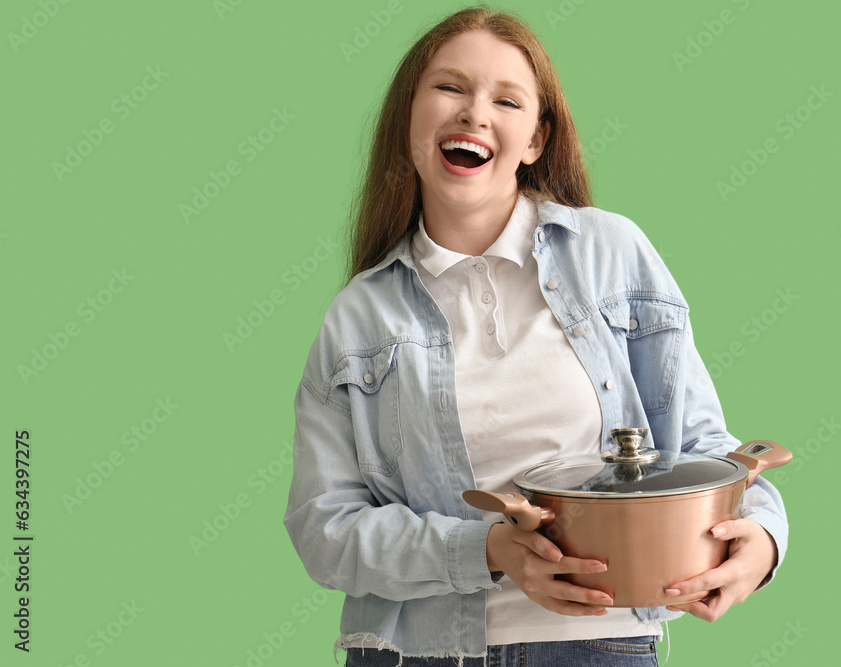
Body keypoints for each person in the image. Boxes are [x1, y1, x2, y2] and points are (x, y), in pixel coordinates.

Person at [283, 5, 788, 665]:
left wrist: (766, 537)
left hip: (598, 646)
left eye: (507, 99)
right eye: (449, 88)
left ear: (535, 141)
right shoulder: (357, 317)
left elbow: (704, 449)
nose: (474, 113)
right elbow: (324, 531)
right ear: (408, 118)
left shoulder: (613, 253)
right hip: (418, 654)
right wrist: (487, 549)